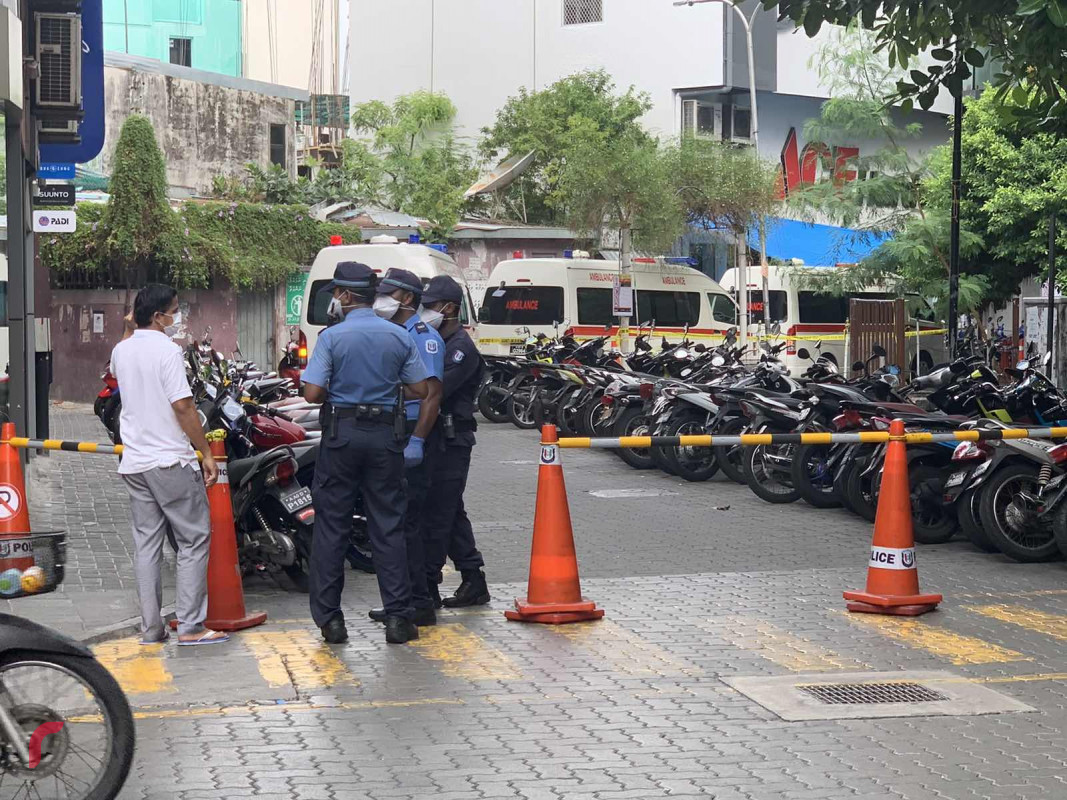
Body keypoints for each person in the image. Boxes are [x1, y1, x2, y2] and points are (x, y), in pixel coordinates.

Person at [302, 262, 431, 645]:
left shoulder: (332, 337)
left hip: (341, 436)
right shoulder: (397, 335)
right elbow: (421, 389)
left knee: (332, 527)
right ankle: (398, 619)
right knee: (388, 526)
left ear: (344, 294)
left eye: (335, 293)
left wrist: (342, 389)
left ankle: (331, 622)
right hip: (385, 439)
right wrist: (387, 389)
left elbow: (312, 394)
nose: (334, 299)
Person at [110, 284, 228, 646]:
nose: (177, 316)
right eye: (174, 310)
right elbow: (183, 406)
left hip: (135, 463)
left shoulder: (121, 350)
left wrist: (129, 326)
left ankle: (151, 629)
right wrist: (205, 452)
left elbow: (121, 362)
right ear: (159, 316)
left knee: (147, 545)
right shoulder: (168, 351)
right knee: (193, 539)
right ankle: (191, 626)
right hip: (169, 461)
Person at [366, 269, 444, 628]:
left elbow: (432, 395)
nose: (381, 300)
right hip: (395, 430)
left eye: (389, 294)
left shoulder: (423, 337)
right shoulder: (394, 333)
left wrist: (418, 440)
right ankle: (403, 599)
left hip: (415, 430)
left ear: (408, 298)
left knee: (409, 521)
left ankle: (419, 601)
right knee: (397, 520)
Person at [420, 276, 490, 607]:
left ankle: (428, 586)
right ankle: (473, 578)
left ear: (449, 308)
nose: (425, 312)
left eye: (431, 306)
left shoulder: (460, 348)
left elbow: (436, 389)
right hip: (437, 438)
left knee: (438, 514)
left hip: (452, 441)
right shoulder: (436, 341)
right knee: (449, 511)